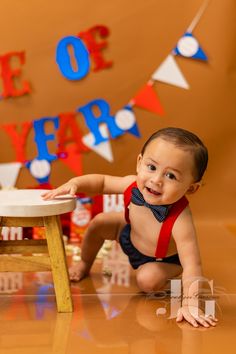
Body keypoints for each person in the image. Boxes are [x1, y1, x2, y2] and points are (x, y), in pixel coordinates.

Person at [42, 127, 217, 328]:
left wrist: (190, 303)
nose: (156, 180)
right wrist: (75, 183)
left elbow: (193, 264)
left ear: (191, 187)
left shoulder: (180, 219)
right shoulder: (131, 184)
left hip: (161, 258)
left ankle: (172, 283)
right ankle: (84, 263)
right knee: (100, 222)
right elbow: (101, 182)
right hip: (128, 235)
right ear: (139, 162)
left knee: (147, 281)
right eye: (151, 167)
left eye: (171, 176)